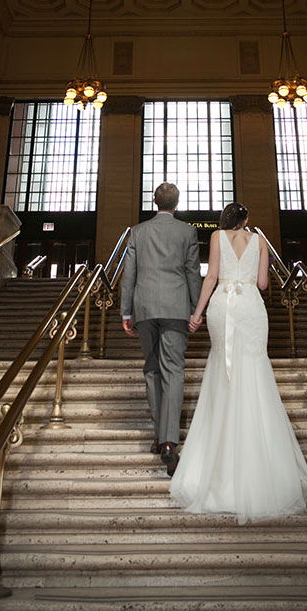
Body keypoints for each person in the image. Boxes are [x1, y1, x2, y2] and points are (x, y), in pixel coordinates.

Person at [169, 202, 307, 523]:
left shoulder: (217, 237)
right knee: (254, 369)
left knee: (223, 371)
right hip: (249, 305)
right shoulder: (260, 240)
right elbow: (263, 283)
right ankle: (260, 468)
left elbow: (211, 278)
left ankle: (216, 467)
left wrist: (197, 313)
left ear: (225, 220)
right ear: (247, 220)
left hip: (222, 305)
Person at [120, 182, 201, 476]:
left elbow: (129, 274)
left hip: (144, 308)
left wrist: (126, 311)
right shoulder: (187, 232)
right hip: (176, 307)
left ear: (154, 202)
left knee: (152, 368)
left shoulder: (137, 232)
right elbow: (193, 272)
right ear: (177, 203)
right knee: (174, 370)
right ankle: (169, 441)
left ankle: (159, 436)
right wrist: (196, 309)